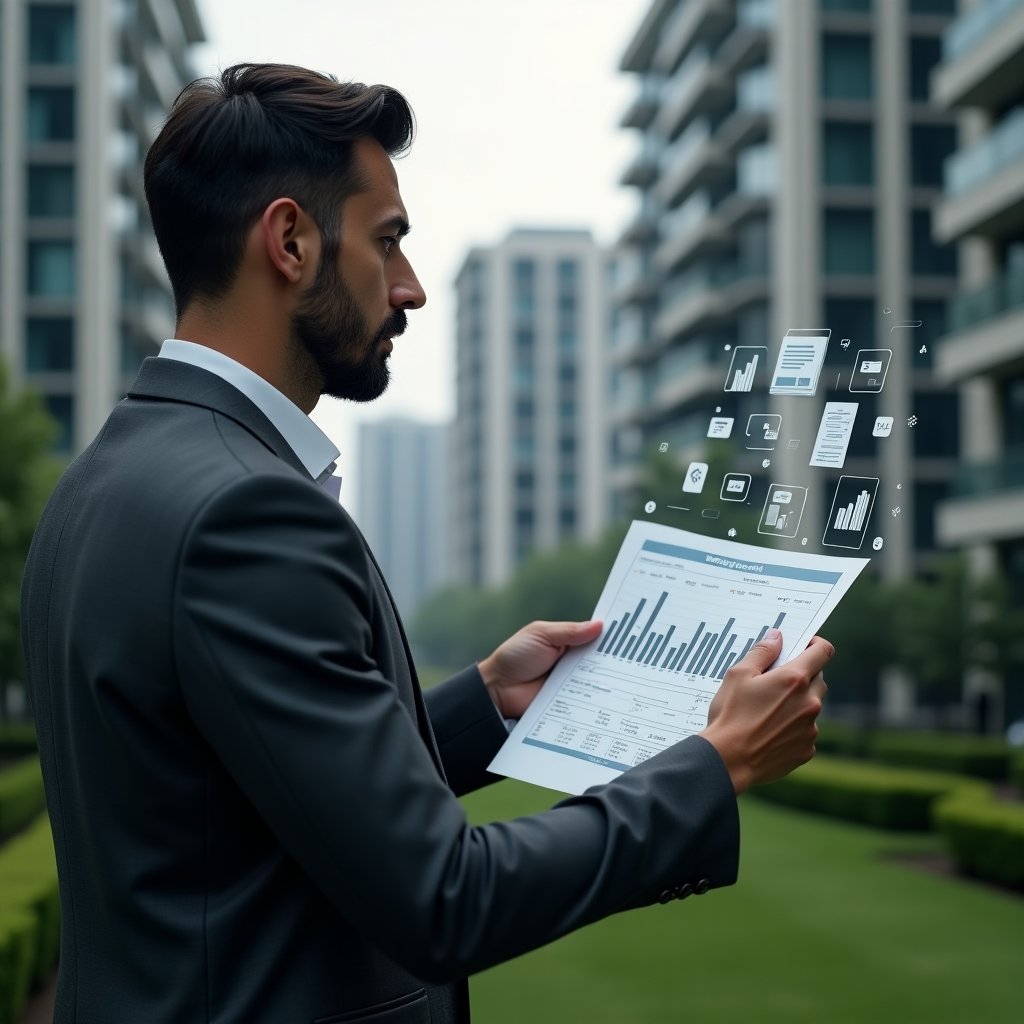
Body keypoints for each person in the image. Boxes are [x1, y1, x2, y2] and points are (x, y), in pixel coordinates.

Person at [20, 64, 832, 1024]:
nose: (410, 288)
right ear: (288, 240)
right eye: (388, 240)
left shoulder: (106, 478)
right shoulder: (248, 516)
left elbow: (238, 798)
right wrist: (715, 765)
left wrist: (487, 704)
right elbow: (445, 896)